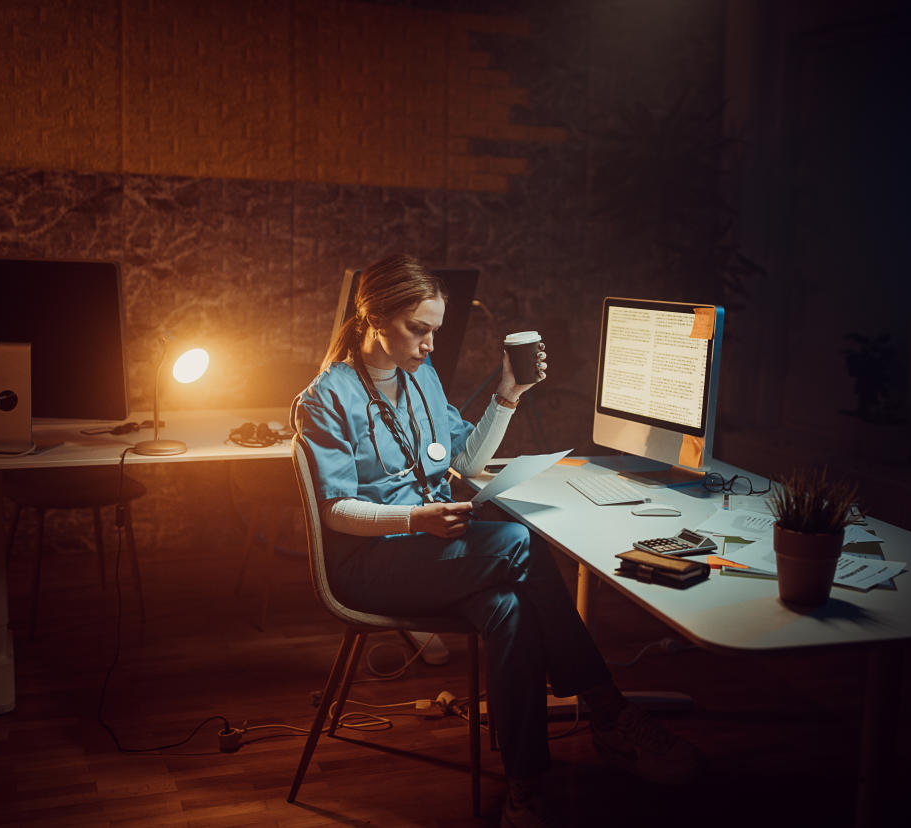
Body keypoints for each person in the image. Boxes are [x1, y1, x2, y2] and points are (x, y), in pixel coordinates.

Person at [292, 254, 700, 827]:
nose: (431, 344)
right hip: (369, 561)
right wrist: (416, 520)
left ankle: (524, 785)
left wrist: (508, 394)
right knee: (517, 541)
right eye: (418, 328)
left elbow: (461, 458)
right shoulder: (325, 397)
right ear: (373, 317)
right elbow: (336, 511)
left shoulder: (421, 377)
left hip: (434, 551)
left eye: (435, 329)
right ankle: (608, 708)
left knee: (508, 608)